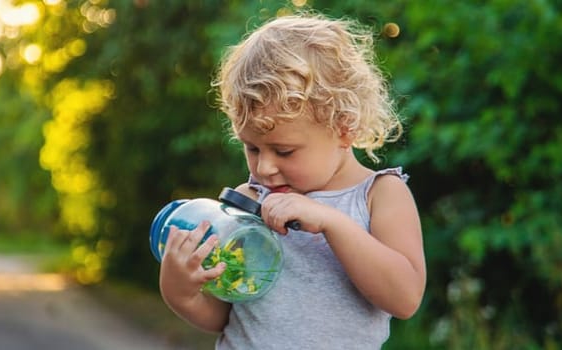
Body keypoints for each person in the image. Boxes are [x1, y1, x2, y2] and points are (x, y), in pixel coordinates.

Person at [158, 13, 426, 349]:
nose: (265, 168)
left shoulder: (380, 195)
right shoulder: (249, 202)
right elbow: (226, 316)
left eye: (284, 151)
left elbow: (405, 299)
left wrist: (331, 223)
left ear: (344, 128)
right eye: (252, 147)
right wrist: (180, 293)